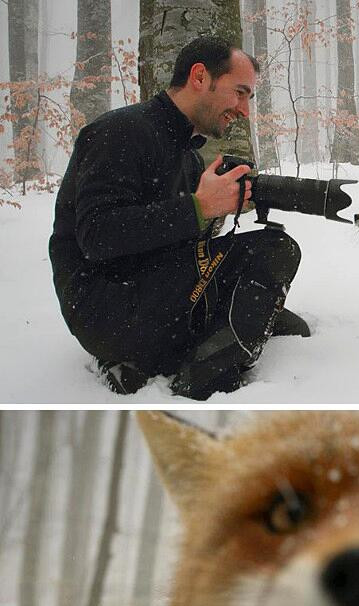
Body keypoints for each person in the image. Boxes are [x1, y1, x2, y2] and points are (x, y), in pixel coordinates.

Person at [49, 36, 309, 400]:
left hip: (152, 293)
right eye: (240, 92)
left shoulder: (187, 156)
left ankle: (223, 325)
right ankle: (204, 380)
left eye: (249, 97)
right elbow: (97, 236)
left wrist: (215, 211)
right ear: (200, 77)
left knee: (258, 266)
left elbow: (173, 242)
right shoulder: (119, 132)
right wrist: (199, 208)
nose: (244, 110)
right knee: (275, 250)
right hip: (107, 310)